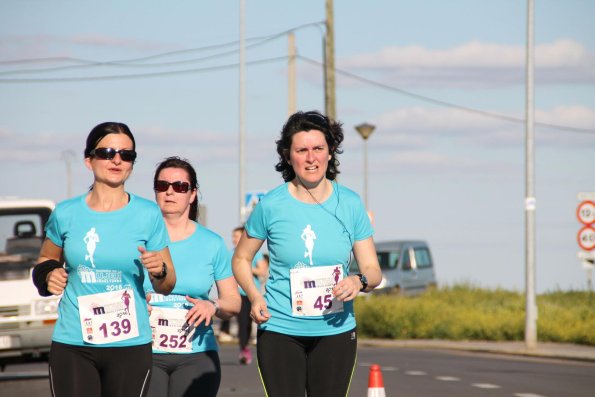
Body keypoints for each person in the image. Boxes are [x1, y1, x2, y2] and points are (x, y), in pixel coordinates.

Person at [232, 110, 382, 397]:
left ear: (330, 152)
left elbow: (373, 270)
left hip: (335, 330)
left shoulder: (349, 203)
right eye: (302, 150)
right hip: (280, 329)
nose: (311, 158)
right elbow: (240, 259)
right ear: (288, 156)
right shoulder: (271, 205)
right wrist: (254, 296)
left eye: (318, 149)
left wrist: (358, 281)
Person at [32, 121, 176, 397]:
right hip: (74, 341)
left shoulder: (148, 214)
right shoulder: (65, 213)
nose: (117, 160)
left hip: (129, 344)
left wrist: (160, 270)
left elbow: (167, 284)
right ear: (89, 160)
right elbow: (45, 260)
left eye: (127, 154)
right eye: (108, 152)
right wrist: (49, 274)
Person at [144, 157, 241, 397]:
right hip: (143, 352)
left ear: (193, 193)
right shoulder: (137, 240)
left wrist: (213, 305)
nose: (170, 192)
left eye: (180, 186)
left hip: (197, 354)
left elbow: (233, 301)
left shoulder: (212, 243)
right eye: (162, 185)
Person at [231, 226, 268, 364]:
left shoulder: (254, 254)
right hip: (236, 294)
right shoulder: (229, 253)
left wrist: (243, 267)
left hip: (251, 294)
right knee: (242, 323)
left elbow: (263, 270)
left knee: (250, 323)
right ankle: (243, 349)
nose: (234, 239)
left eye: (237, 236)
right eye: (233, 237)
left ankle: (250, 347)